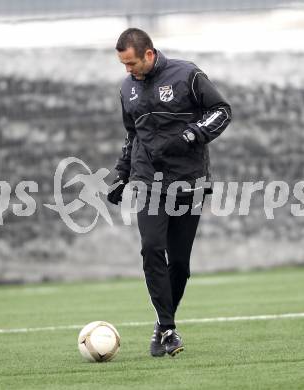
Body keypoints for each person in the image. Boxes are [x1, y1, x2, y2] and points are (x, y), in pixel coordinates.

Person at [107, 28, 232, 357]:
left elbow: (222, 111)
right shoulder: (127, 88)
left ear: (148, 54)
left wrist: (193, 135)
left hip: (187, 182)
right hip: (148, 182)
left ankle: (162, 328)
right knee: (151, 248)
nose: (127, 71)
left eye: (131, 63)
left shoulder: (187, 74)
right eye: (123, 65)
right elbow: (132, 135)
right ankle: (169, 327)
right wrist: (121, 174)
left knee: (179, 263)